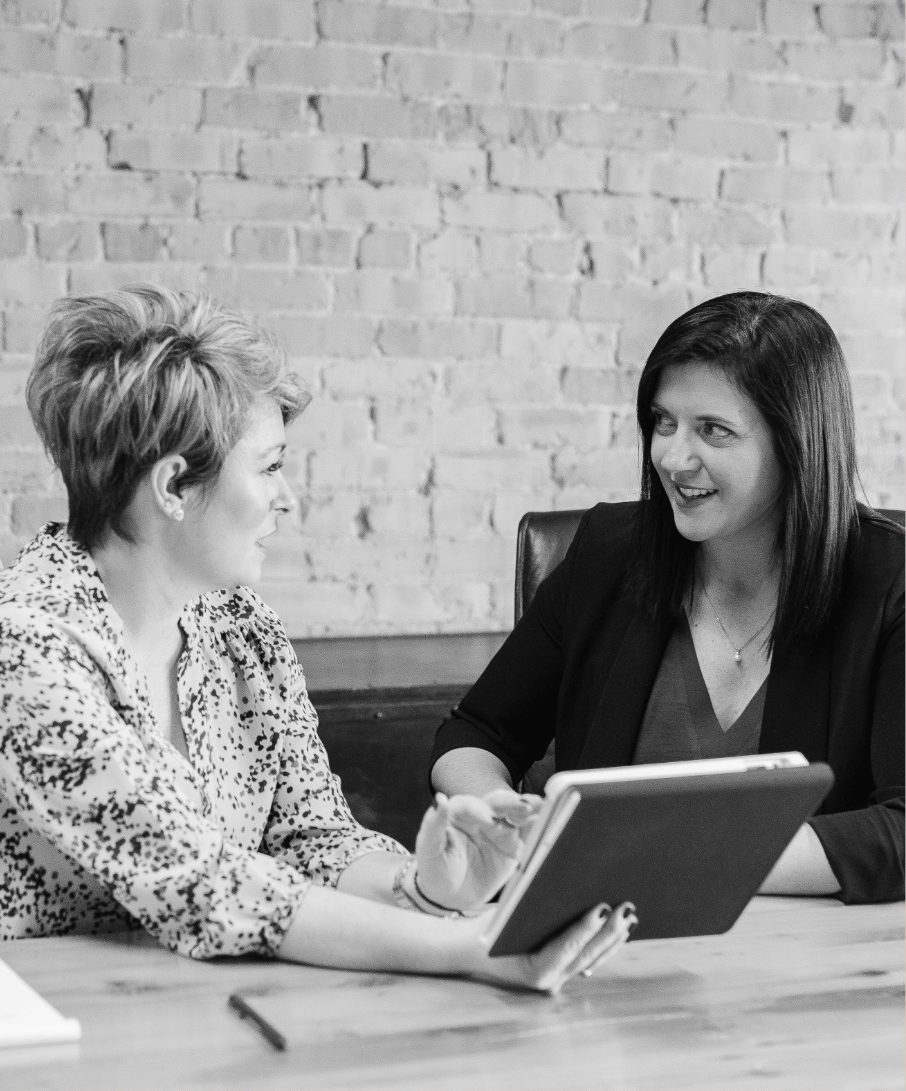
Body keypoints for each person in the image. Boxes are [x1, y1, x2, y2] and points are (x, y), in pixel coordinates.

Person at [0, 284, 636, 993]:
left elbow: (311, 838)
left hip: (222, 1010)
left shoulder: (241, 627)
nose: (289, 496)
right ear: (174, 485)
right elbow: (207, 884)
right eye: (270, 466)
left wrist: (423, 883)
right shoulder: (29, 648)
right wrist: (465, 944)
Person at [431, 291, 904, 905]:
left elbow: (901, 827)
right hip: (599, 950)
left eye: (714, 430)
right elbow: (476, 731)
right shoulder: (608, 552)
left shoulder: (890, 584)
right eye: (663, 422)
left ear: (798, 444)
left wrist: (668, 857)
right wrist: (492, 812)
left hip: (804, 965)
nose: (674, 458)